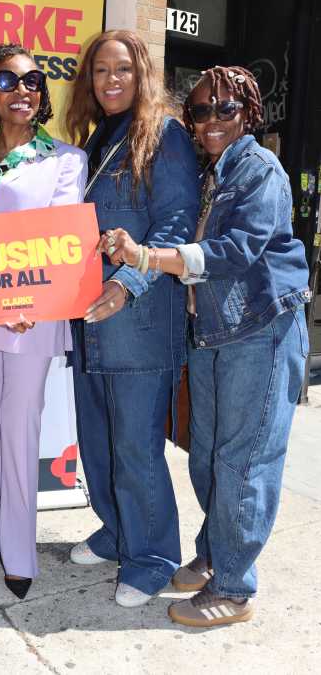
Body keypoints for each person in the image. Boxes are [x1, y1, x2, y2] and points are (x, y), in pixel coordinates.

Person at [102, 65, 310, 626]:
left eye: (224, 109)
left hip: (261, 331)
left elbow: (234, 252)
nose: (211, 120)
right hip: (215, 332)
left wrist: (144, 256)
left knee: (244, 462)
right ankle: (218, 552)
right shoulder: (211, 170)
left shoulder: (258, 168)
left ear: (248, 112)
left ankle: (236, 588)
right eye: (199, 111)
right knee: (210, 455)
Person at [64, 30, 199, 607]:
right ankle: (117, 532)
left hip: (137, 320)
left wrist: (126, 284)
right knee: (97, 439)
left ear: (141, 75)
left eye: (122, 69)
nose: (110, 79)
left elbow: (174, 222)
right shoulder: (95, 140)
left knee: (136, 446)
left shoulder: (163, 135)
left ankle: (152, 556)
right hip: (87, 319)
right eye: (100, 70)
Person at [0, 44, 87, 599]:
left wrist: (34, 299)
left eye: (33, 80)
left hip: (33, 318)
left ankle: (18, 551)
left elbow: (64, 242)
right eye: (8, 80)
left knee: (20, 428)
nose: (22, 90)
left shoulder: (64, 160)